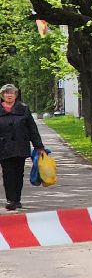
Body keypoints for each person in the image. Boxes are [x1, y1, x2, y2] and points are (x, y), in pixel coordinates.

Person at [0, 83, 46, 212]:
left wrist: (39, 146)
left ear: (15, 95)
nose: (9, 95)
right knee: (8, 173)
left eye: (12, 93)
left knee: (18, 173)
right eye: (7, 93)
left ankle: (17, 199)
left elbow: (32, 128)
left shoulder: (23, 109)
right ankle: (11, 200)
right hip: (3, 147)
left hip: (20, 146)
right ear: (2, 95)